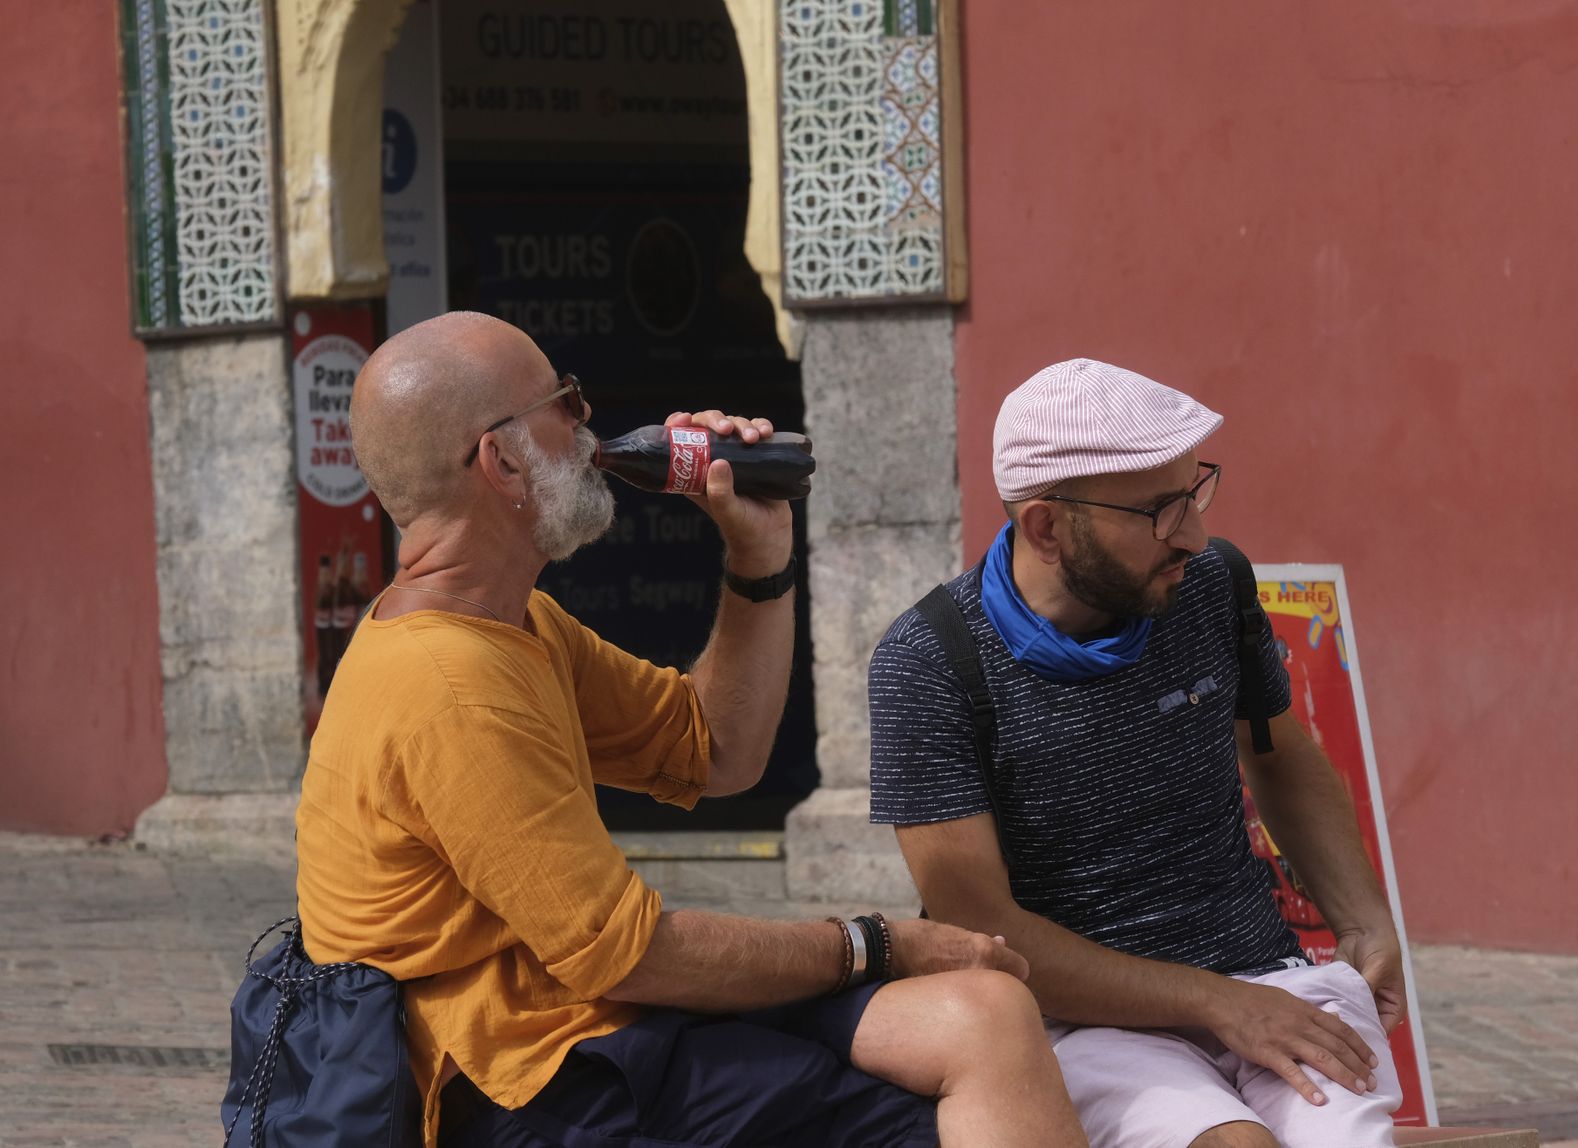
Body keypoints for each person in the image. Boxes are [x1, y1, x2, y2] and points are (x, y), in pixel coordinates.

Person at [295, 311, 1087, 1148]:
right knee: (922, 1118)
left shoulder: (519, 624)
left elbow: (715, 749)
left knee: (985, 1013)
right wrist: (875, 943)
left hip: (601, 1029)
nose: (588, 421)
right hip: (536, 1085)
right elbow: (628, 955)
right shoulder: (448, 685)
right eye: (564, 401)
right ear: (501, 461)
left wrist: (759, 554)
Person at [868, 358, 1406, 1148]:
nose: (1192, 532)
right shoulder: (931, 663)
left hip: (1265, 982)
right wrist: (1215, 1002)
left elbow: (1278, 751)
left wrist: (1365, 919)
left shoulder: (1215, 583)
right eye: (1158, 510)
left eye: (1196, 493)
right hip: (1081, 1023)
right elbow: (981, 927)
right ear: (1048, 526)